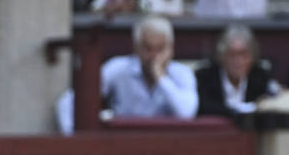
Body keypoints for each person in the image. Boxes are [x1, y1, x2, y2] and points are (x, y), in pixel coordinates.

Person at [55, 15, 199, 134]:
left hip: (167, 147)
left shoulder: (182, 73)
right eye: (148, 48)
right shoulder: (118, 67)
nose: (155, 56)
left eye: (160, 48)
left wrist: (161, 77)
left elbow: (186, 114)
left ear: (171, 48)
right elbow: (67, 102)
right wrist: (72, 137)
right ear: (136, 47)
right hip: (124, 147)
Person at [196, 24, 281, 117]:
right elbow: (204, 108)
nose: (238, 61)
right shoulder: (205, 77)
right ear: (222, 56)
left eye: (244, 54)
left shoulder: (261, 77)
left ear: (252, 57)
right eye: (232, 54)